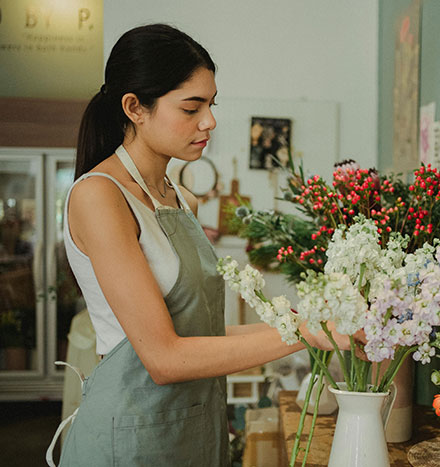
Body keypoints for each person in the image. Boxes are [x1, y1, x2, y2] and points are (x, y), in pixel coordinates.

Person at [46, 24, 349, 466]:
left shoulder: (175, 197)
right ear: (135, 108)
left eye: (211, 104)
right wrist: (303, 333)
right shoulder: (100, 196)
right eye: (192, 107)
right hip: (131, 441)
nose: (209, 121)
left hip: (192, 434)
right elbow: (165, 357)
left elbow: (199, 336)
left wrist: (308, 322)